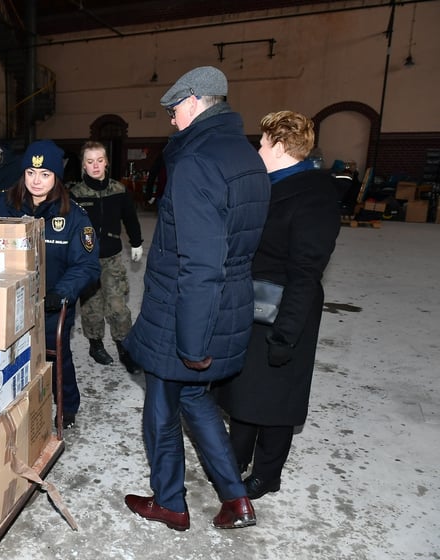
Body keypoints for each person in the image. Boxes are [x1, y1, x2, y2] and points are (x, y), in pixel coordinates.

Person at [121, 66, 271, 531]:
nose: (170, 120)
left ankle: (170, 503)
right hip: (227, 305)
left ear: (193, 102)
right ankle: (236, 498)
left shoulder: (196, 161)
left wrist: (190, 343)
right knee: (198, 401)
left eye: (173, 110)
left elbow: (201, 263)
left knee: (161, 413)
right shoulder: (246, 156)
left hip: (185, 312)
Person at [212, 111, 341, 500]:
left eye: (264, 143)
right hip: (252, 307)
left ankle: (268, 474)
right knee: (246, 392)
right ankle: (236, 459)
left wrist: (287, 333)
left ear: (281, 147)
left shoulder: (315, 196)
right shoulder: (268, 185)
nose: (258, 149)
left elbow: (306, 272)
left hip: (285, 313)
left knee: (277, 400)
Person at [0, 140, 100, 429]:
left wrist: (61, 293)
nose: (37, 181)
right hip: (4, 301)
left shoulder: (74, 216)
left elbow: (86, 265)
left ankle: (67, 405)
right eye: (31, 173)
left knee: (57, 356)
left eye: (45, 174)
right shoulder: (0, 206)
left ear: (57, 177)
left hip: (51, 304)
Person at [68, 140, 143, 373]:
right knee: (92, 306)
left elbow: (130, 218)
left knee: (118, 306)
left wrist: (137, 242)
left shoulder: (119, 191)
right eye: (90, 162)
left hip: (112, 258)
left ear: (107, 162)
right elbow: (68, 227)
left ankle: (125, 347)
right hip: (86, 261)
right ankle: (95, 344)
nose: (96, 166)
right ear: (83, 165)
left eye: (100, 160)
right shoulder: (75, 194)